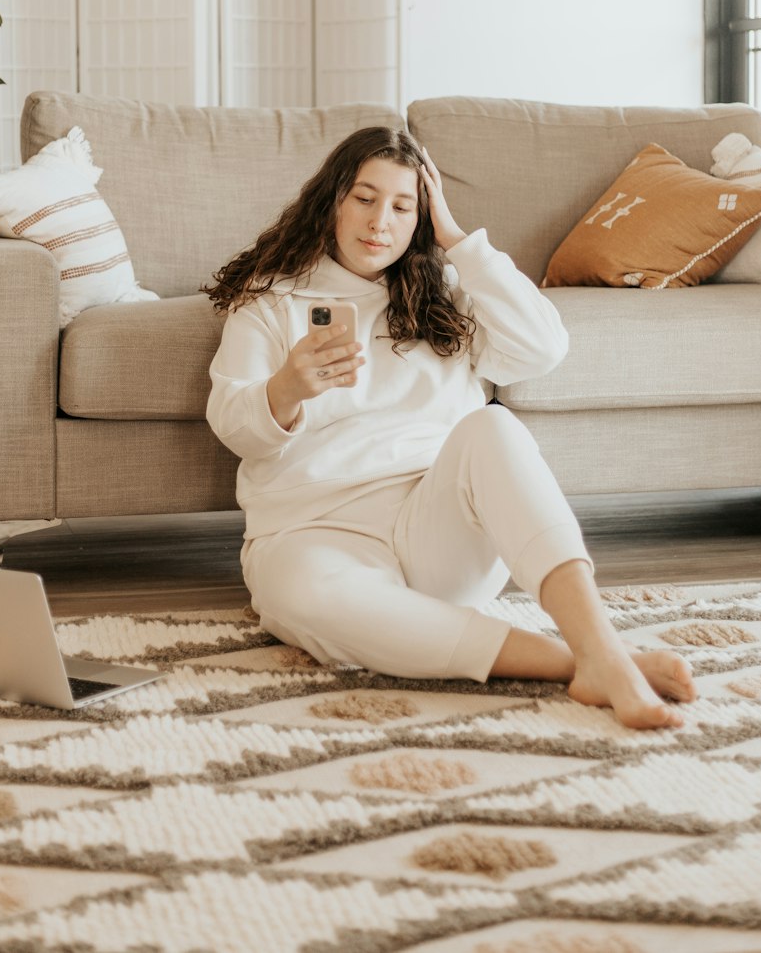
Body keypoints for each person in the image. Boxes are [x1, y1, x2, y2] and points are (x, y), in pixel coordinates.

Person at [205, 127, 696, 729]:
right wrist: (288, 388)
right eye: (364, 198)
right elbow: (235, 427)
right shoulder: (268, 301)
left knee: (492, 428)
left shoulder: (447, 297)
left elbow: (543, 348)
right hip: (312, 531)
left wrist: (460, 242)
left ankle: (600, 646)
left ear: (422, 218)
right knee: (301, 599)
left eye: (402, 206)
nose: (379, 221)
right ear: (332, 199)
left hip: (437, 527)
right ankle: (593, 663)